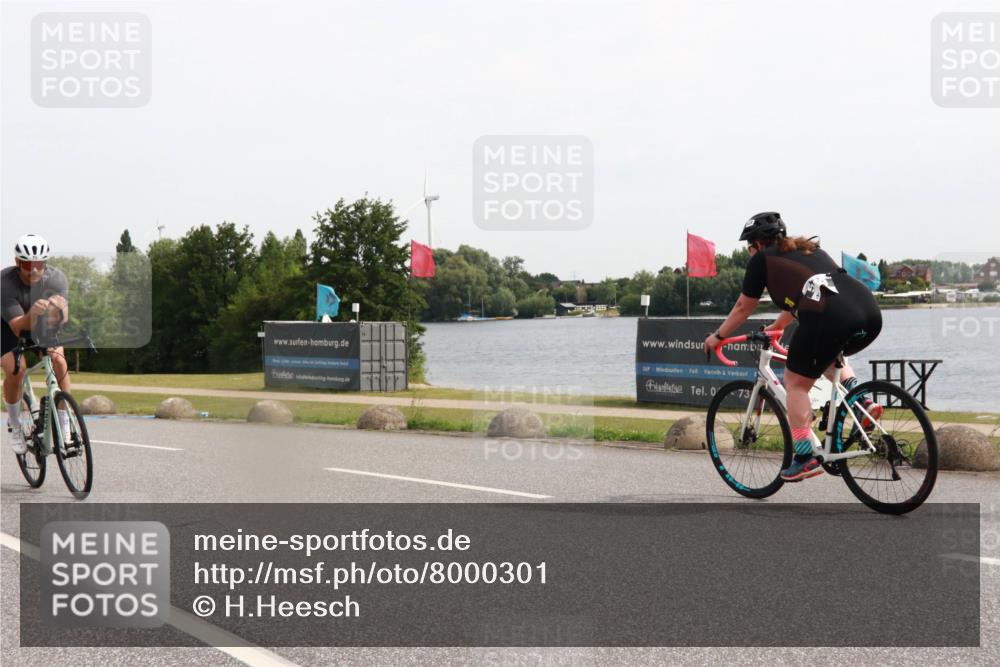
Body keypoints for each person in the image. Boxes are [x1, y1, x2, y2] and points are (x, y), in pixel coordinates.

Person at [703, 212, 883, 482]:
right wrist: (777, 327)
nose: (750, 252)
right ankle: (861, 400)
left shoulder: (763, 260)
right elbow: (807, 296)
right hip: (869, 312)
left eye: (750, 246)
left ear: (758, 244)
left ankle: (803, 457)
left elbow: (743, 307)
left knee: (795, 383)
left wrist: (717, 336)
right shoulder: (810, 250)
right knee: (830, 354)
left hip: (830, 317)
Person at [2, 234, 71, 455]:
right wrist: (32, 313)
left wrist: (58, 311)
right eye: (28, 265)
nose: (34, 270)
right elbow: (17, 327)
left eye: (39, 264)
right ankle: (14, 424)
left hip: (39, 322)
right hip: (8, 325)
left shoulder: (56, 279)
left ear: (45, 263)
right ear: (17, 262)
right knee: (16, 368)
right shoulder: (5, 284)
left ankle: (64, 419)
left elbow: (62, 320)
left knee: (58, 360)